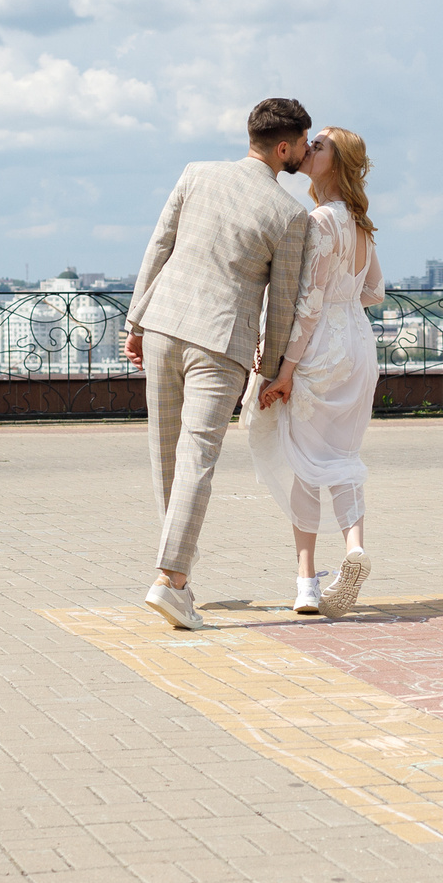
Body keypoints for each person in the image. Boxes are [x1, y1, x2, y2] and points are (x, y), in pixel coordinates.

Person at [122, 99, 315, 632]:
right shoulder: (290, 214)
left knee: (167, 455)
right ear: (283, 147)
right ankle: (171, 580)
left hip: (164, 326)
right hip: (221, 344)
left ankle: (176, 574)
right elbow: (282, 302)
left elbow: (157, 248)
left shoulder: (196, 174)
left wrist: (137, 323)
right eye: (302, 141)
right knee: (198, 458)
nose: (304, 149)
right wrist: (273, 369)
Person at [249, 126, 382, 617]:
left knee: (304, 460)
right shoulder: (361, 223)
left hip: (322, 344)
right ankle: (353, 549)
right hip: (359, 345)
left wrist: (285, 368)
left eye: (319, 146)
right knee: (342, 453)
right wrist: (345, 303)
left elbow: (308, 303)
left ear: (335, 162)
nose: (309, 149)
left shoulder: (320, 221)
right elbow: (375, 292)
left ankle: (306, 582)